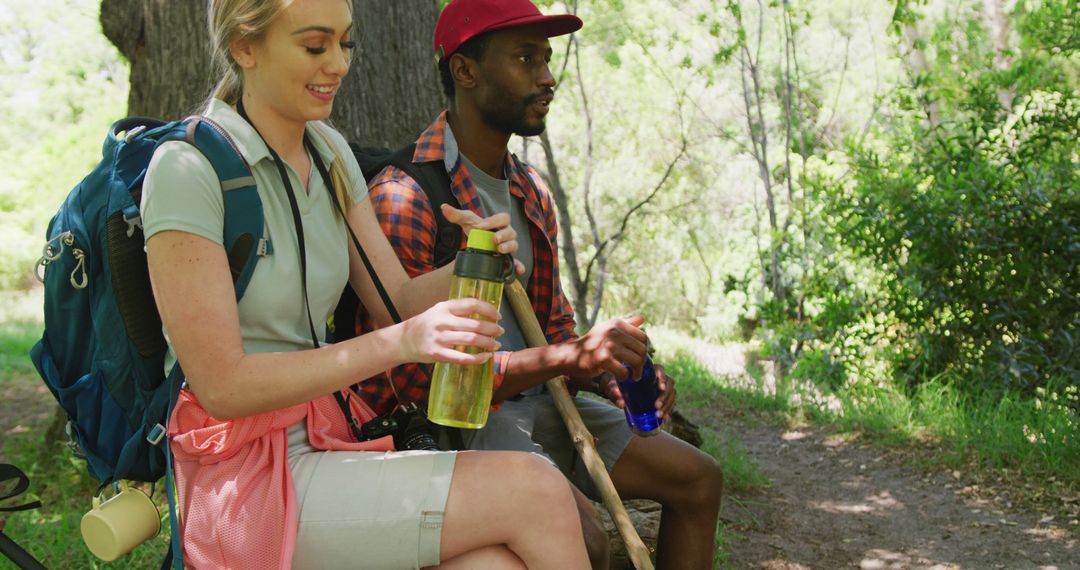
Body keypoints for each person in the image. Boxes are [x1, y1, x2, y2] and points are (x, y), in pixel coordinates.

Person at [141, 0, 591, 568]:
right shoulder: (186, 170)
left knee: (492, 565)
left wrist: (473, 264)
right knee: (538, 492)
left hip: (328, 440)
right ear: (244, 47)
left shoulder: (327, 153)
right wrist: (401, 343)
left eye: (345, 43)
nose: (338, 64)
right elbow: (223, 388)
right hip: (240, 474)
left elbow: (396, 301)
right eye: (314, 45)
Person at [356, 0, 724, 568]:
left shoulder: (529, 189)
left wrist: (609, 372)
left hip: (541, 404)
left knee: (698, 480)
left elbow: (553, 329)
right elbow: (413, 381)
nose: (547, 77)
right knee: (586, 541)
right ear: (465, 70)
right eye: (526, 59)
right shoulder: (407, 194)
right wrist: (567, 359)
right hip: (458, 426)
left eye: (547, 59)